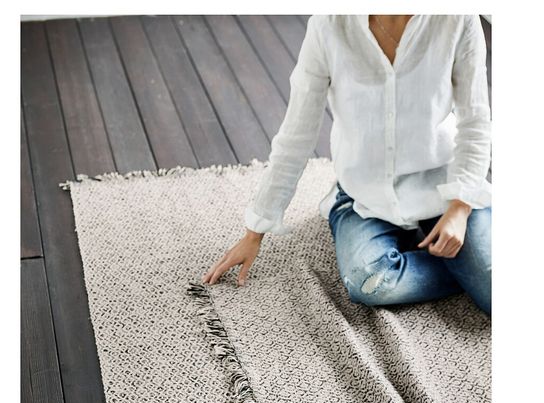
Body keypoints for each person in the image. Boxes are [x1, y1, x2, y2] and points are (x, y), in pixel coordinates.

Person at [202, 14, 492, 315]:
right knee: (370, 282)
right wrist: (255, 231)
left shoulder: (457, 19)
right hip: (364, 196)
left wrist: (460, 208)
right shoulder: (328, 25)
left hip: (444, 186)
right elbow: (296, 135)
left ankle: (478, 264)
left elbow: (475, 122)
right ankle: (471, 269)